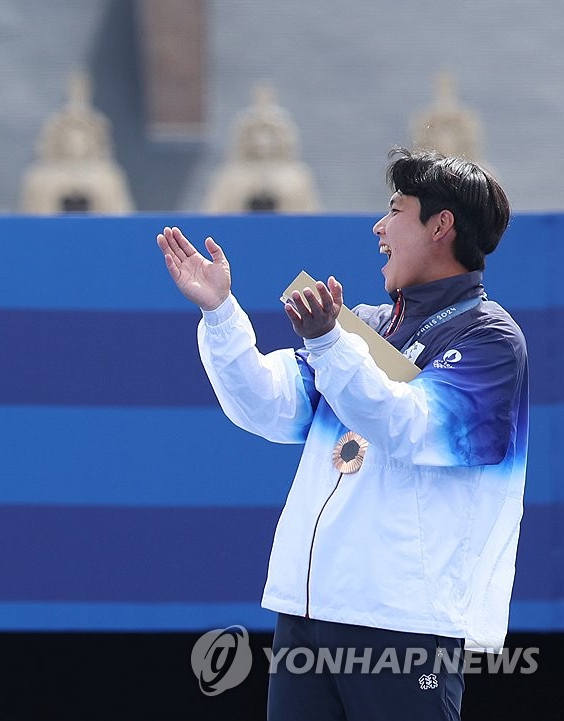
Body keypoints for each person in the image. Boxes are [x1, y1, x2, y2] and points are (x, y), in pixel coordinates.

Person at [157, 149, 526, 721]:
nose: (378, 227)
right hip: (307, 613)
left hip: (404, 623)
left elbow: (412, 428)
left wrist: (331, 344)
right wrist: (221, 313)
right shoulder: (368, 325)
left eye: (395, 210)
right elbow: (267, 406)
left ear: (441, 225)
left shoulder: (491, 338)